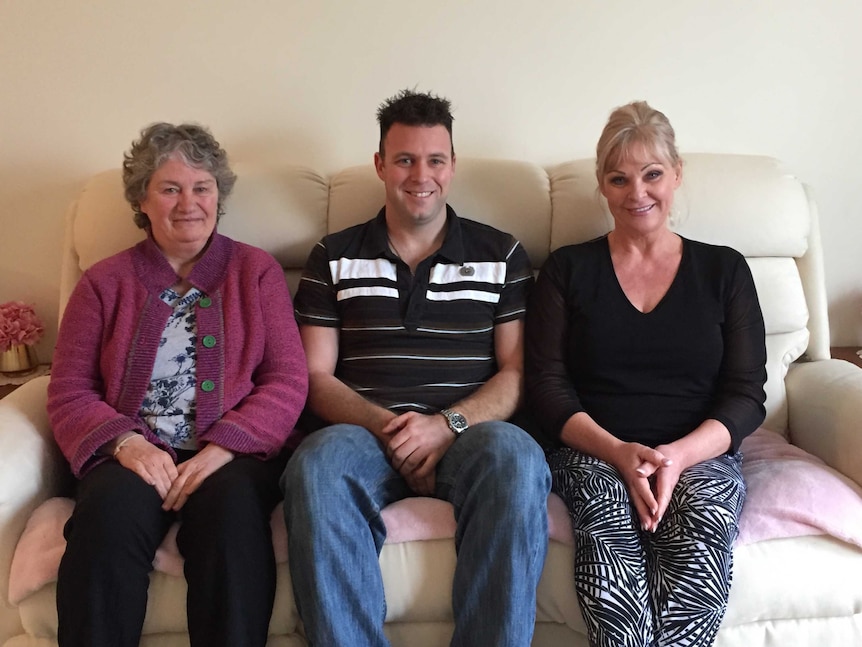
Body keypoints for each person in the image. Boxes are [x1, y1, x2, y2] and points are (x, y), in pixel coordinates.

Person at [281, 89, 551, 647]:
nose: (419, 175)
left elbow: (516, 374)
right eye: (404, 159)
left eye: (434, 159)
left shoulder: (502, 254)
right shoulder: (332, 256)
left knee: (519, 457)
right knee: (314, 465)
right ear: (380, 164)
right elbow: (316, 378)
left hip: (469, 436)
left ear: (452, 166)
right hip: (363, 436)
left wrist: (443, 427)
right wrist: (394, 430)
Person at [47, 122, 308, 647]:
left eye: (202, 187)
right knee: (105, 521)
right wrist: (127, 443)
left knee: (233, 524)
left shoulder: (256, 271)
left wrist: (224, 447)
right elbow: (69, 389)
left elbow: (287, 380)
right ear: (142, 200)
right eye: (170, 188)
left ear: (219, 196)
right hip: (134, 454)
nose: (189, 203)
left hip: (232, 460)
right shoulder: (103, 282)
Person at [525, 101, 767, 647]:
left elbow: (747, 394)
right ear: (603, 187)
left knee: (703, 522)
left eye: (652, 173)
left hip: (700, 452)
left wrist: (678, 456)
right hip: (591, 452)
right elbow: (546, 385)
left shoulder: (724, 269)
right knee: (608, 540)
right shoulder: (567, 269)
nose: (638, 193)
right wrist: (617, 452)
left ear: (677, 175)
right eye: (620, 178)